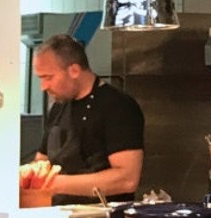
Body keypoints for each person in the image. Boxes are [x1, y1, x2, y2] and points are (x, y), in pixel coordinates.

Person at [28, 34, 144, 204]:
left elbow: (126, 180)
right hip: (58, 213)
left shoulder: (118, 106)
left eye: (48, 77)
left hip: (101, 215)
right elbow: (41, 162)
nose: (43, 87)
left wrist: (53, 184)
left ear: (74, 70)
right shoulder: (59, 106)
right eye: (41, 78)